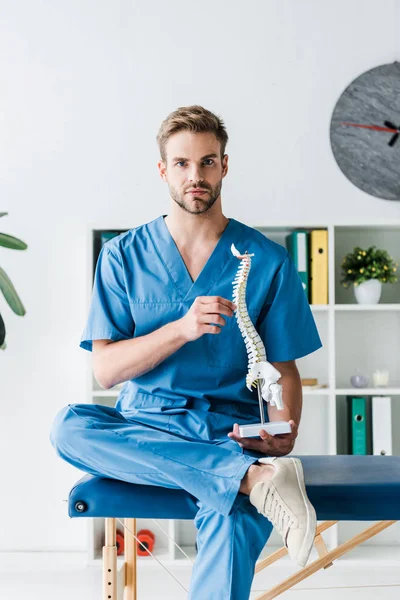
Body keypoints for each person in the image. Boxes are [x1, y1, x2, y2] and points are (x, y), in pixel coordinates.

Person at [50, 105, 323, 599]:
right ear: (163, 170)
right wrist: (180, 329)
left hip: (227, 433)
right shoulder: (122, 256)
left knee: (233, 521)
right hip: (144, 428)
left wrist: (285, 432)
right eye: (181, 163)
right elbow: (106, 369)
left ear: (224, 165)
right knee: (69, 427)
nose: (195, 176)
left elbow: (283, 366)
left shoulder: (266, 259)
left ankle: (247, 474)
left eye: (207, 162)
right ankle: (251, 479)